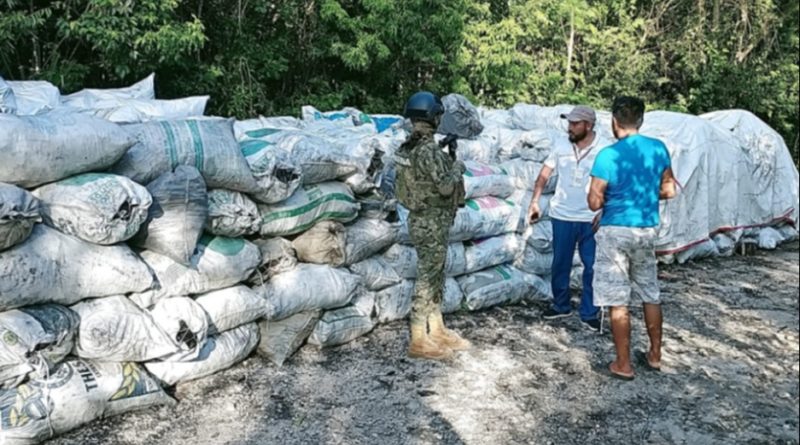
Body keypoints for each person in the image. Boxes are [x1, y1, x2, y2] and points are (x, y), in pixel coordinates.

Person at [587, 96, 677, 380]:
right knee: (650, 293)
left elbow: (593, 202)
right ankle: (655, 355)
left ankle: (623, 364)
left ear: (614, 121)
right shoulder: (658, 149)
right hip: (646, 230)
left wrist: (611, 200)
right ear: (640, 120)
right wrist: (644, 195)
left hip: (615, 231)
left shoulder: (608, 156)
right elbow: (669, 190)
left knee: (618, 300)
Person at [394, 91, 471, 360]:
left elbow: (423, 171)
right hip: (431, 222)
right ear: (432, 117)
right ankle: (418, 338)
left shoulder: (410, 147)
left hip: (422, 219)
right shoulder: (426, 150)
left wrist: (444, 154)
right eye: (438, 115)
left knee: (435, 274)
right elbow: (446, 185)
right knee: (428, 278)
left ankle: (436, 329)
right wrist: (457, 166)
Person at [527, 105, 610, 331]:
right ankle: (560, 304)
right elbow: (544, 174)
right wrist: (535, 201)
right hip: (562, 215)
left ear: (589, 125)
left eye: (575, 124)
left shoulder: (604, 149)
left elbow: (613, 183)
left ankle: (589, 311)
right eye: (569, 123)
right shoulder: (562, 145)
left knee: (592, 266)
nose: (570, 128)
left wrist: (604, 211)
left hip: (590, 218)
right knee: (560, 263)